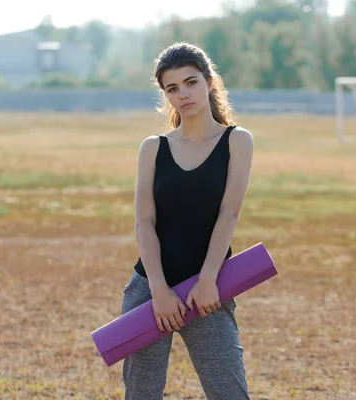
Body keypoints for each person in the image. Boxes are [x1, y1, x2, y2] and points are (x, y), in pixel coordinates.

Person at [120, 42, 254, 399]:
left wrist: (209, 278)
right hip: (150, 290)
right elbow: (144, 223)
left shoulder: (237, 141)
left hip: (207, 290)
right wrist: (158, 291)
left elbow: (229, 213)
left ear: (209, 82)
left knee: (230, 393)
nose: (183, 94)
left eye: (191, 82)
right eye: (172, 88)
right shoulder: (153, 147)